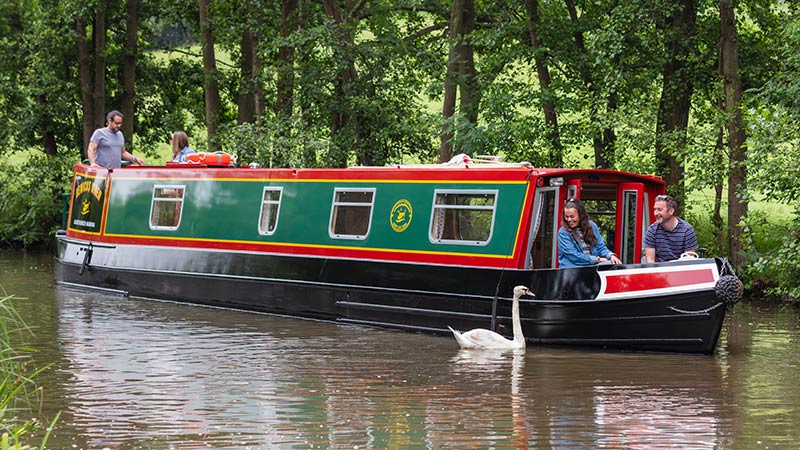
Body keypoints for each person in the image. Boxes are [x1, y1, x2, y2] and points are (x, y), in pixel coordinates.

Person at [557, 197, 621, 268]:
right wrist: (597, 259)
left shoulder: (592, 226)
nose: (569, 219)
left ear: (581, 215)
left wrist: (611, 256)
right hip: (572, 271)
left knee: (612, 265)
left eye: (572, 216)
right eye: (566, 217)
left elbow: (600, 247)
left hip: (592, 268)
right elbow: (573, 256)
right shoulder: (563, 232)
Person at [644, 194, 698, 262]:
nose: (655, 213)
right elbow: (650, 261)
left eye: (659, 210)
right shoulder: (652, 230)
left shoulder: (687, 230)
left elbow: (689, 260)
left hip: (680, 269)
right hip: (661, 271)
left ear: (671, 211)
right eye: (655, 209)